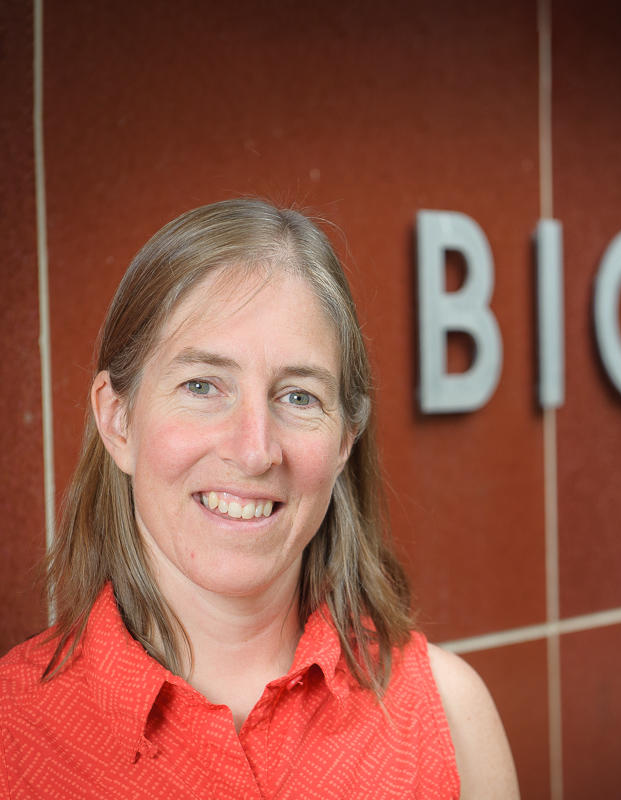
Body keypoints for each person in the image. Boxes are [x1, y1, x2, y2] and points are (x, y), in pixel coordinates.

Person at [0, 199, 519, 799]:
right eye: (202, 386)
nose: (254, 451)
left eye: (298, 397)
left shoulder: (449, 717)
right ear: (118, 422)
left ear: (346, 440)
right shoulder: (12, 735)